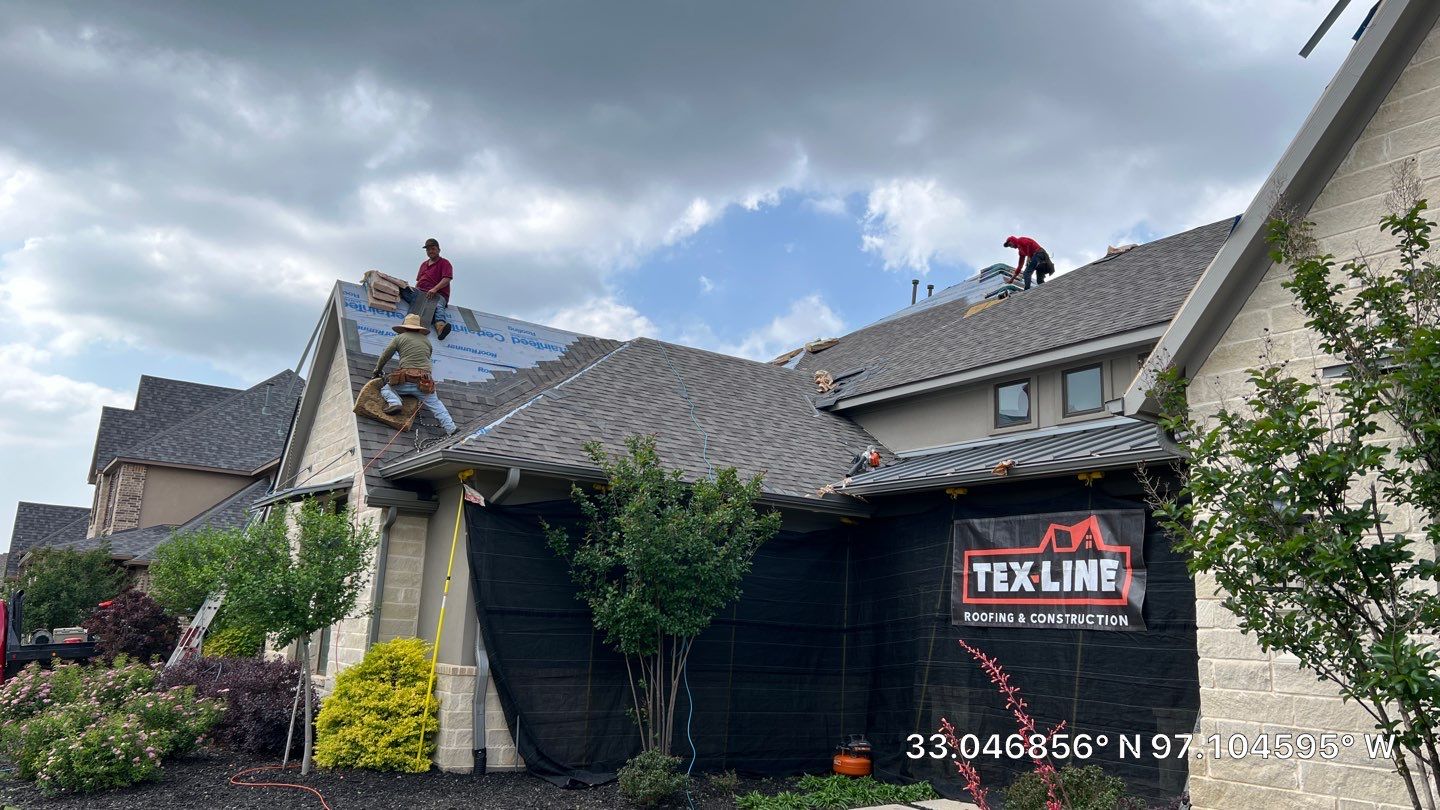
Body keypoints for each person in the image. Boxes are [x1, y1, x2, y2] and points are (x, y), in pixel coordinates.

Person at [372, 313, 457, 435]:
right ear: (418, 328)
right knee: (436, 404)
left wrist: (377, 370)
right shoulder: (427, 341)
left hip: (404, 381)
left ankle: (395, 402)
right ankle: (451, 428)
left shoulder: (399, 338)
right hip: (424, 383)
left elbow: (385, 356)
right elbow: (427, 357)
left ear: (405, 326)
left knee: (386, 389)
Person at [402, 237, 454, 340]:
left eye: (433, 249)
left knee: (437, 305)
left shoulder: (444, 263)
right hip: (421, 294)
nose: (430, 251)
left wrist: (435, 289)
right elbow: (419, 281)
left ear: (439, 250)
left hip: (438, 294)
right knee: (403, 289)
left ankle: (440, 327)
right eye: (428, 249)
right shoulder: (423, 265)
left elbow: (447, 278)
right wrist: (414, 291)